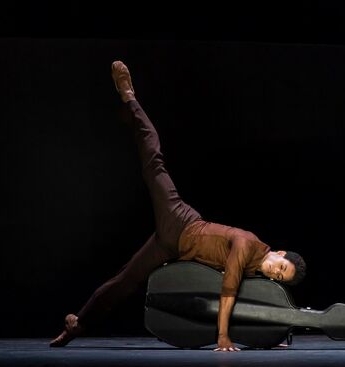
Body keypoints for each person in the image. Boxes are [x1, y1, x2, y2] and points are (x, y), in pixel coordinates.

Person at [49, 60, 307, 352]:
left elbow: (244, 304)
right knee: (154, 165)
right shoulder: (247, 244)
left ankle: (77, 325)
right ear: (280, 252)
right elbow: (228, 291)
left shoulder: (254, 268)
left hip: (171, 246)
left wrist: (268, 340)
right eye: (280, 267)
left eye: (279, 277)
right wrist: (222, 337)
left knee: (126, 280)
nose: (274, 273)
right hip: (180, 221)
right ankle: (130, 99)